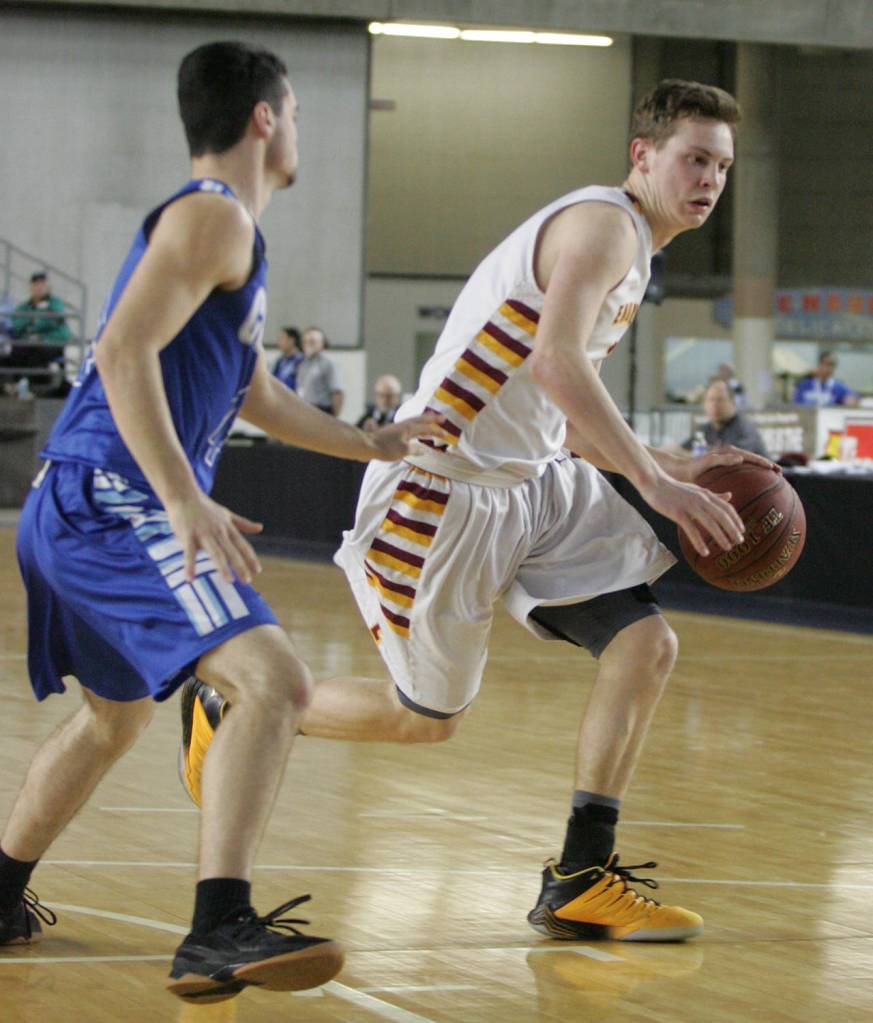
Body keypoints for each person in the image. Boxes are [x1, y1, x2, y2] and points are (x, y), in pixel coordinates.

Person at [181, 80, 777, 942]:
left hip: (531, 483)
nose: (710, 180)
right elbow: (557, 363)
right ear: (642, 156)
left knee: (644, 643)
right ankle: (233, 706)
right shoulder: (604, 226)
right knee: (425, 719)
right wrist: (655, 483)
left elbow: (557, 410)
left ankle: (580, 875)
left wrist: (679, 462)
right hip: (441, 487)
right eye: (694, 159)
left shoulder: (634, 248)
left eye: (721, 166)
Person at [0, 40, 445, 1005]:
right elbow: (122, 351)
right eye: (298, 115)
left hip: (76, 500)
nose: (299, 132)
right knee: (274, 680)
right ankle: (217, 927)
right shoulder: (214, 215)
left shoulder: (227, 234)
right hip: (110, 500)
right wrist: (178, 494)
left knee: (113, 720)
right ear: (264, 118)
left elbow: (254, 393)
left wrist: (370, 443)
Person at [681, 378, 769, 458]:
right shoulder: (705, 429)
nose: (715, 405)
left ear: (733, 403)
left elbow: (729, 458)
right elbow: (680, 449)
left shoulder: (744, 428)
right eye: (711, 400)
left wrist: (695, 456)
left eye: (720, 400)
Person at [10, 272, 72, 344]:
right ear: (31, 287)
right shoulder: (24, 307)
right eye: (36, 284)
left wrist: (33, 328)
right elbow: (17, 326)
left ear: (48, 287)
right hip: (28, 343)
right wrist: (34, 320)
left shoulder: (55, 303)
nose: (39, 287)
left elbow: (55, 320)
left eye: (42, 284)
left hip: (50, 343)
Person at [296, 326, 343, 415]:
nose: (307, 345)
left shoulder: (328, 363)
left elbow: (337, 392)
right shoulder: (303, 364)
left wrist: (333, 417)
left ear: (322, 344)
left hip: (321, 410)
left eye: (312, 342)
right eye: (305, 342)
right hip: (304, 409)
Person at [793, 351, 859, 407]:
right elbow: (796, 405)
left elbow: (853, 397)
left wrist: (852, 400)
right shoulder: (805, 385)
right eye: (826, 364)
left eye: (832, 365)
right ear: (820, 364)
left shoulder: (839, 387)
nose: (829, 368)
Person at [271, 325, 303, 390]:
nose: (278, 341)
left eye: (282, 338)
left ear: (291, 340)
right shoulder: (280, 361)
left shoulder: (301, 360)